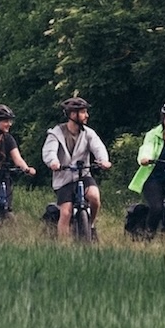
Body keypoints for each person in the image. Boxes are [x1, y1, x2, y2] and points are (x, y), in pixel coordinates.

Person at [42, 97, 111, 238]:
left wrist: (103, 160)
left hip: (84, 175)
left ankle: (90, 226)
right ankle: (63, 245)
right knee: (66, 212)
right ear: (73, 115)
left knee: (94, 197)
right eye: (83, 112)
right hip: (64, 179)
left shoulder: (88, 133)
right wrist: (53, 162)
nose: (87, 115)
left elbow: (98, 147)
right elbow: (49, 151)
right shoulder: (56, 133)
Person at [128, 101, 165, 221]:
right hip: (154, 178)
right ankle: (149, 233)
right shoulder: (153, 134)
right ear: (163, 118)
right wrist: (145, 158)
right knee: (157, 208)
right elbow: (147, 148)